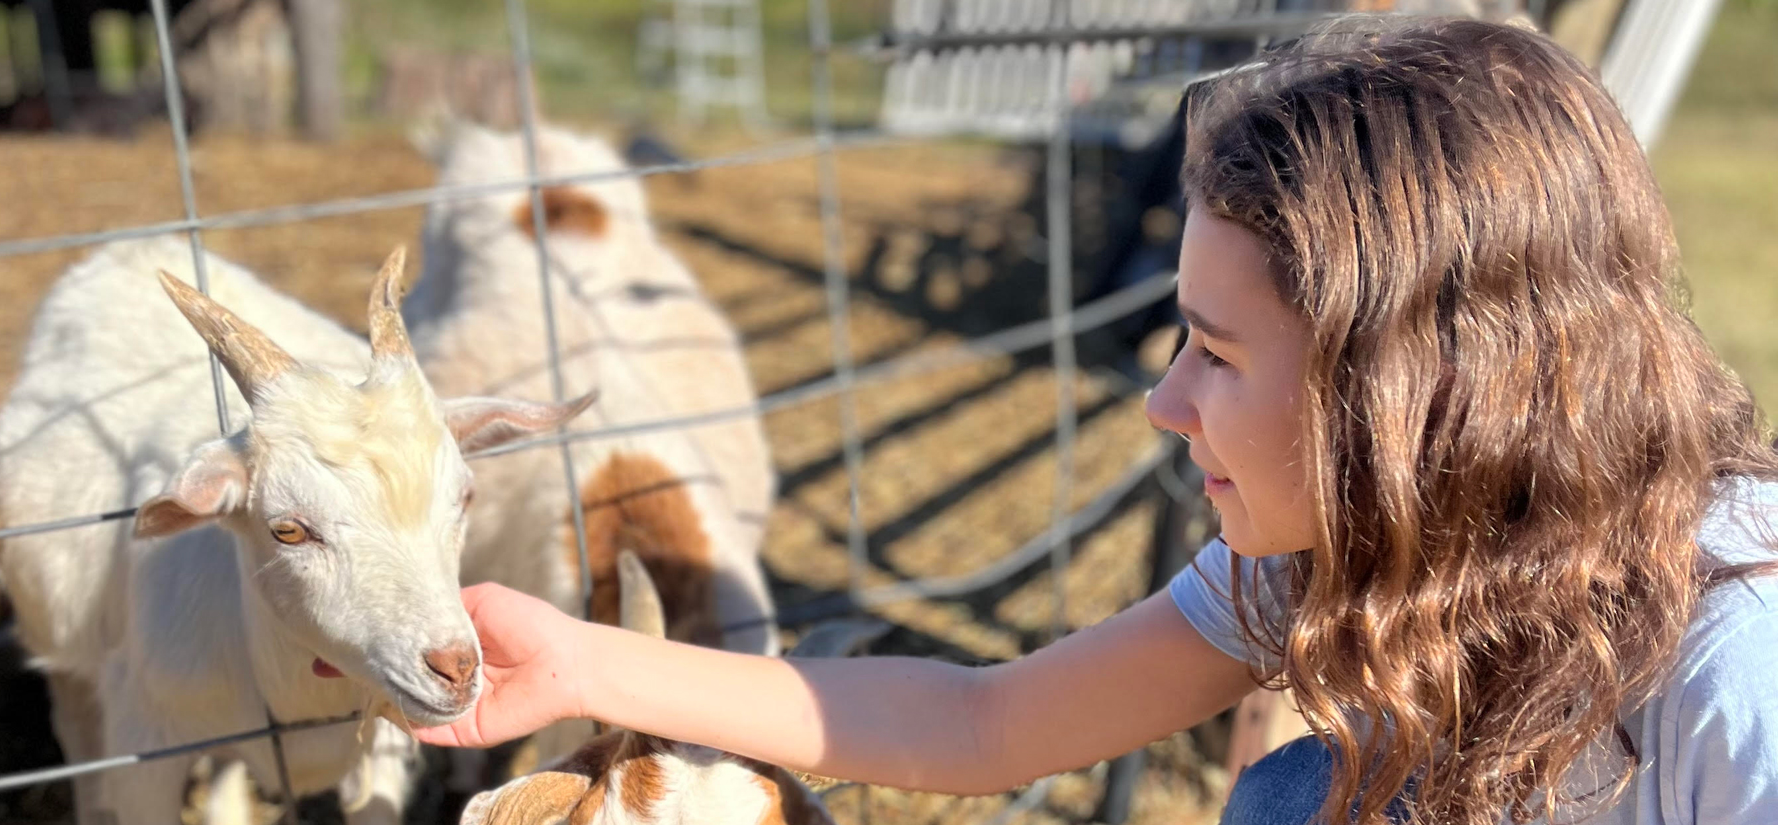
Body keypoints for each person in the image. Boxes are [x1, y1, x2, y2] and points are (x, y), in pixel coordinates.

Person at [415, 16, 1778, 825]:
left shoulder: (1734, 673)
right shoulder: (1328, 555)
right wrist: (582, 664)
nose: (1163, 399)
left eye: (1217, 353)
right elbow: (984, 721)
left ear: (1408, 398)